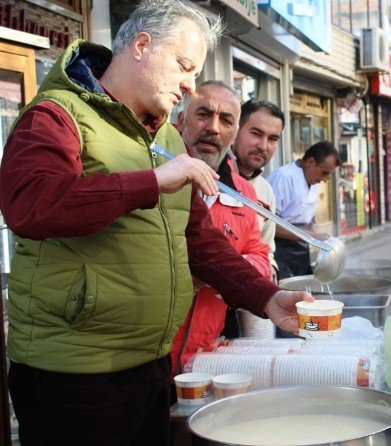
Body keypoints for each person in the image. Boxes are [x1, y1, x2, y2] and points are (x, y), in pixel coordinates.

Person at [0, 1, 311, 444]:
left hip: (150, 366)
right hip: (75, 375)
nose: (190, 85)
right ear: (142, 46)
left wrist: (267, 296)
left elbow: (199, 241)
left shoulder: (163, 135)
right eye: (184, 66)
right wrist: (151, 182)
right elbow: (30, 205)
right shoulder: (56, 114)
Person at [170, 81, 273, 377]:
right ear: (180, 120)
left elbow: (260, 257)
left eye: (226, 120)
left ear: (234, 132)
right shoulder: (154, 177)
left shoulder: (243, 192)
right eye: (203, 114)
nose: (214, 128)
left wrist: (222, 272)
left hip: (204, 358)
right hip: (148, 355)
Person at [268, 141, 341, 279]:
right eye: (324, 173)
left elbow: (306, 219)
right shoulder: (284, 177)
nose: (325, 179)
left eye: (328, 175)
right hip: (279, 249)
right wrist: (313, 237)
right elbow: (270, 223)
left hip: (300, 249)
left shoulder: (313, 180)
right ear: (310, 161)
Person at [232, 99, 286, 283]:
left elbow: (266, 249)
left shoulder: (265, 192)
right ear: (236, 130)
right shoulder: (210, 176)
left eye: (272, 139)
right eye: (256, 134)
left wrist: (270, 269)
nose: (263, 146)